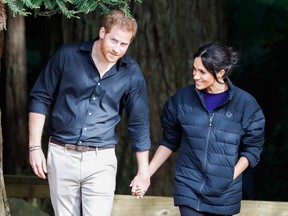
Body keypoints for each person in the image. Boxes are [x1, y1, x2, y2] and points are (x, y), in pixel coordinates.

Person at [28, 9, 151, 216]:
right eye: (114, 41)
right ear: (102, 32)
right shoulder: (67, 55)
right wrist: (34, 147)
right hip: (61, 153)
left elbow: (139, 123)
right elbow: (40, 97)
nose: (117, 49)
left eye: (124, 44)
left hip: (101, 158)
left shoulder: (131, 72)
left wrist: (143, 172)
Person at [141, 42, 265, 215]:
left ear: (221, 73)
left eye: (202, 72)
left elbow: (252, 149)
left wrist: (230, 175)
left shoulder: (246, 104)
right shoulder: (181, 99)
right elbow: (169, 141)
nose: (195, 76)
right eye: (194, 69)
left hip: (224, 194)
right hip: (188, 188)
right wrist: (146, 174)